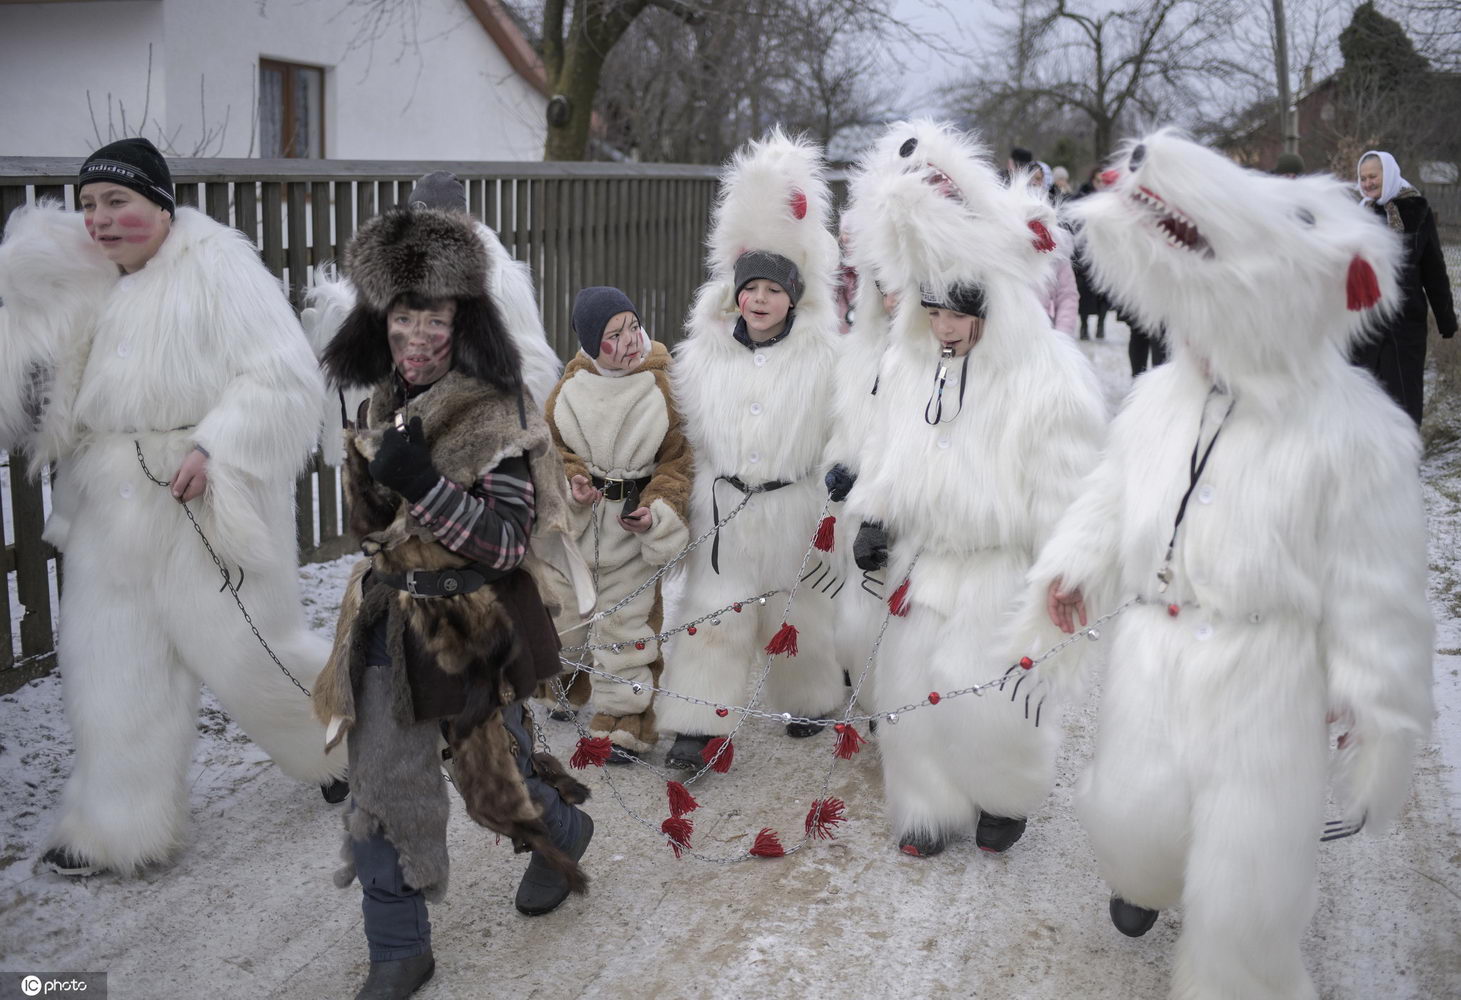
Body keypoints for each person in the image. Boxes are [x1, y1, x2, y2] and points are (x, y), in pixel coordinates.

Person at [1009, 132, 1431, 999]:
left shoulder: (1356, 433)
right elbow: (1114, 493)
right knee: (1136, 814)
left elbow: (1375, 582)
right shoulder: (1162, 399)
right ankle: (1149, 873)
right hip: (1156, 650)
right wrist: (1074, 568)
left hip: (1268, 668)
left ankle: (1240, 968)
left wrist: (1373, 694)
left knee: (1248, 875)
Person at [0, 137, 341, 877]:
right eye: (89, 204)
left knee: (253, 657)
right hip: (108, 515)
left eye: (118, 201)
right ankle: (113, 828)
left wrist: (216, 447)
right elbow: (36, 414)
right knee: (113, 671)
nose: (101, 219)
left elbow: (284, 379)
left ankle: (352, 746)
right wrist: (27, 316)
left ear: (159, 203)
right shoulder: (80, 281)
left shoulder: (218, 265)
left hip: (204, 505)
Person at [313, 205, 592, 999]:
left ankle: (560, 830)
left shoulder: (495, 408)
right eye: (404, 317)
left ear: (462, 319)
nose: (420, 335)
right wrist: (370, 476)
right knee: (381, 788)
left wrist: (423, 484)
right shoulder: (377, 403)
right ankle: (399, 948)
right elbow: (370, 533)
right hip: (388, 624)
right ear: (380, 320)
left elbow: (506, 544)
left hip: (476, 627)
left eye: (435, 317)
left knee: (494, 786)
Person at [843, 121, 1106, 858]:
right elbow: (888, 449)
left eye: (957, 314)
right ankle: (927, 807)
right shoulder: (911, 366)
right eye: (931, 313)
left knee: (984, 691)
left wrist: (1062, 567)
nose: (944, 327)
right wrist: (875, 513)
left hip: (997, 560)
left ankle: (1002, 794)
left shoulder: (1042, 375)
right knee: (909, 692)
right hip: (924, 556)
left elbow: (1067, 482)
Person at [656, 129, 844, 770]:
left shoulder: (824, 354)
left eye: (773, 290)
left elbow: (843, 427)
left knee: (802, 605)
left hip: (796, 500)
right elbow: (687, 427)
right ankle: (696, 720)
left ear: (793, 295)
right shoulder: (703, 351)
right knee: (714, 607)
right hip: (725, 505)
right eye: (751, 289)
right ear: (735, 291)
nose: (759, 300)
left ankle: (811, 696)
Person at [545, 286, 692, 763]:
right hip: (579, 529)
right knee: (564, 614)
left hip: (631, 528)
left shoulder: (662, 387)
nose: (630, 340)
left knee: (626, 622)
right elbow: (554, 450)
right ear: (591, 343)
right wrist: (574, 481)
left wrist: (656, 510)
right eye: (614, 334)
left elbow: (678, 464)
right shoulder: (569, 388)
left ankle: (627, 720)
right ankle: (566, 679)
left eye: (633, 326)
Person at [1350, 150, 1457, 425]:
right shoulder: (1355, 215)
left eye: (1373, 176)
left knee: (1403, 401)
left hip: (1404, 328)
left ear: (1389, 174)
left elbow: (1434, 269)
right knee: (1363, 400)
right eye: (1363, 178)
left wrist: (1446, 320)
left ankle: (1404, 460)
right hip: (1365, 326)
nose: (1368, 183)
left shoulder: (1417, 211)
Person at [1072, 166, 1111, 340]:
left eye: (1103, 181)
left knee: (1104, 294)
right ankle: (1084, 325)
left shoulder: (1111, 202)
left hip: (1106, 255)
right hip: (1086, 252)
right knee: (1085, 293)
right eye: (1097, 180)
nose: (1100, 184)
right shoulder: (1083, 200)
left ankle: (1101, 325)